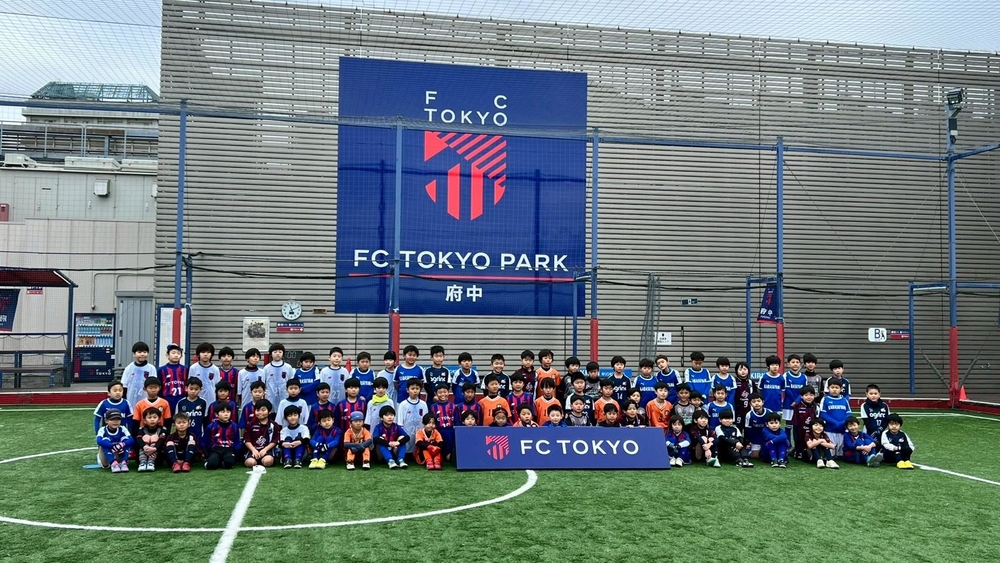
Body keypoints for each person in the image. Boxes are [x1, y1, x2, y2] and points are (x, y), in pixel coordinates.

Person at [242, 399, 280, 469]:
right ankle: (254, 460)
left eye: (263, 410)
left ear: (269, 411)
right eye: (257, 410)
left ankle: (262, 460)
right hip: (253, 449)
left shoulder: (274, 425)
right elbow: (246, 440)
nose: (260, 412)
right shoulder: (250, 425)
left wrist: (265, 450)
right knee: (250, 463)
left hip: (267, 450)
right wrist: (253, 450)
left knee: (268, 461)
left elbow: (275, 441)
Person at [818, 378, 851, 456]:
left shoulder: (844, 400)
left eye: (837, 388)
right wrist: (836, 423)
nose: (834, 390)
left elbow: (849, 414)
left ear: (841, 389)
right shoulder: (825, 399)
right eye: (832, 387)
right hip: (830, 430)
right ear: (828, 388)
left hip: (842, 430)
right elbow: (823, 414)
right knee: (831, 453)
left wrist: (842, 423)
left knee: (841, 454)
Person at [398, 378, 429, 455]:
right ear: (407, 390)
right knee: (407, 451)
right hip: (407, 432)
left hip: (419, 432)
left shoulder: (423, 404)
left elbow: (426, 420)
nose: (415, 391)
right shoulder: (403, 404)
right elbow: (400, 422)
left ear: (420, 390)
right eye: (412, 389)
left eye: (417, 389)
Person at [204, 403, 239, 470]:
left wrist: (235, 455)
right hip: (215, 450)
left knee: (229, 463)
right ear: (216, 414)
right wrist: (207, 455)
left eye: (228, 412)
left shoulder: (234, 426)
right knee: (211, 465)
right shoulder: (211, 427)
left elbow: (237, 443)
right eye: (223, 412)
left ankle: (222, 462)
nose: (226, 414)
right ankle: (212, 461)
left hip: (228, 450)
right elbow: (204, 443)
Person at [122, 341, 155, 410]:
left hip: (147, 402)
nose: (142, 354)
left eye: (145, 352)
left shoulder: (151, 368)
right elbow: (124, 386)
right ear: (134, 354)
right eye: (139, 352)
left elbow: (154, 385)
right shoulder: (129, 368)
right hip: (131, 402)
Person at [790, 385, 820, 460]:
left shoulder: (816, 406)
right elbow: (795, 421)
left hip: (812, 431)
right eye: (806, 395)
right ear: (801, 396)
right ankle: (797, 451)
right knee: (800, 449)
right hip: (800, 430)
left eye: (811, 395)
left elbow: (818, 419)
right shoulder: (797, 406)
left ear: (814, 395)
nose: (809, 397)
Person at [175, 377, 208, 445]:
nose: (193, 391)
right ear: (186, 388)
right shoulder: (181, 403)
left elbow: (205, 419)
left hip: (199, 432)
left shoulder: (203, 402)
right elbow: (177, 419)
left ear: (200, 390)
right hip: (184, 432)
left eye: (196, 389)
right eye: (191, 389)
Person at [428, 384, 457, 461]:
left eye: (445, 392)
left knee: (449, 452)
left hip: (450, 431)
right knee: (439, 449)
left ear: (448, 392)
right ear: (436, 394)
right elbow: (431, 421)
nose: (443, 394)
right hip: (438, 431)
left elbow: (456, 421)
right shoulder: (433, 407)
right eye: (440, 392)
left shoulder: (453, 406)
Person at [782, 354, 807, 442]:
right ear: (788, 364)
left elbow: (804, 391)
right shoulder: (786, 375)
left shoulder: (804, 377)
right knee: (788, 424)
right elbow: (787, 389)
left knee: (798, 425)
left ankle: (798, 444)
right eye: (793, 362)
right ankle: (788, 443)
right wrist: (794, 401)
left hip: (800, 404)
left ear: (800, 364)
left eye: (797, 362)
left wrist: (797, 401)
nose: (795, 364)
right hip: (788, 404)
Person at [158, 343, 188, 413]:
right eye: (173, 353)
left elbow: (187, 384)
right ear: (167, 355)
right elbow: (159, 386)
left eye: (178, 353)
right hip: (167, 399)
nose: (176, 355)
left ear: (181, 356)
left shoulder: (185, 369)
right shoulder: (161, 370)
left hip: (181, 398)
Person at [136, 407, 167, 472]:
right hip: (143, 453)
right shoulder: (142, 429)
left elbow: (161, 440)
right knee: (146, 437)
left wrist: (154, 448)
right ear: (144, 420)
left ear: (159, 419)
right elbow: (138, 439)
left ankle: (151, 462)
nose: (152, 419)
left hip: (158, 456)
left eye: (155, 417)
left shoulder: (162, 429)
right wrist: (145, 447)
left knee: (154, 437)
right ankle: (143, 463)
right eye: (149, 418)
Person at [743, 393, 771, 459]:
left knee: (768, 453)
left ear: (763, 402)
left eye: (758, 401)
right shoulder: (749, 415)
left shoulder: (769, 412)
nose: (756, 403)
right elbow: (747, 430)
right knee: (755, 456)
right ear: (750, 404)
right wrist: (748, 442)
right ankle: (749, 450)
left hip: (767, 438)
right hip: (755, 439)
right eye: (754, 402)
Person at [731, 361, 758, 429]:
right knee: (738, 429)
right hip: (738, 411)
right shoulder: (734, 381)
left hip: (749, 410)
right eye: (740, 369)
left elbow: (756, 395)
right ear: (736, 371)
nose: (743, 371)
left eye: (745, 369)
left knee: (749, 429)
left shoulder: (751, 382)